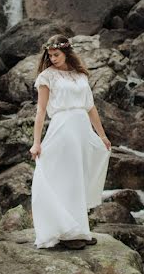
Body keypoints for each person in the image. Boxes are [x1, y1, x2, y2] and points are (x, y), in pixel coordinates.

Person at [29, 35, 111, 250]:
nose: (53, 59)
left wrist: (101, 135)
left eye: (56, 55)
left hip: (82, 128)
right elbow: (40, 111)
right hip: (63, 128)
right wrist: (36, 142)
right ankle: (68, 232)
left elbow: (90, 107)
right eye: (50, 55)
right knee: (67, 177)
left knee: (80, 176)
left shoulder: (80, 75)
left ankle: (80, 229)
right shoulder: (47, 77)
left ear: (67, 53)